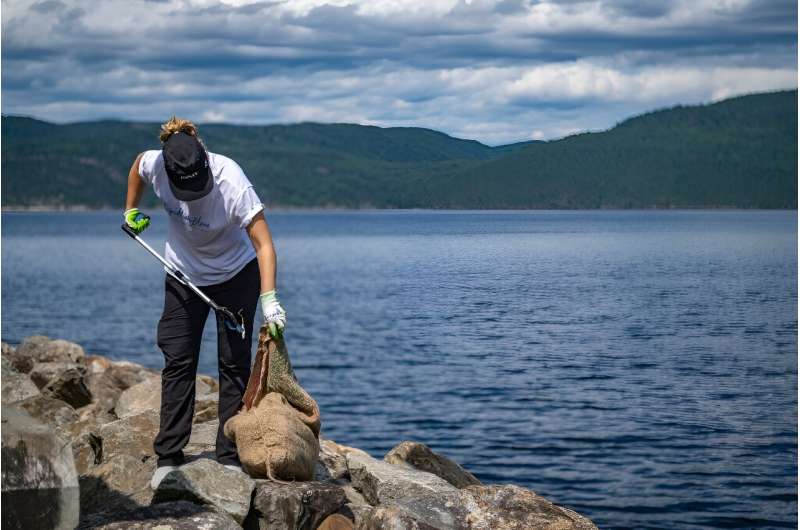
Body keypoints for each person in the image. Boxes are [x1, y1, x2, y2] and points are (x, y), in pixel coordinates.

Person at [123, 116, 287, 489]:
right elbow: (136, 166)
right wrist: (130, 209)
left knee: (233, 364)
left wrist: (270, 299)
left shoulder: (231, 180)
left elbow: (264, 244)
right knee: (179, 359)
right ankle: (169, 456)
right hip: (182, 275)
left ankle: (228, 457)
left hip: (235, 276)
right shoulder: (156, 163)